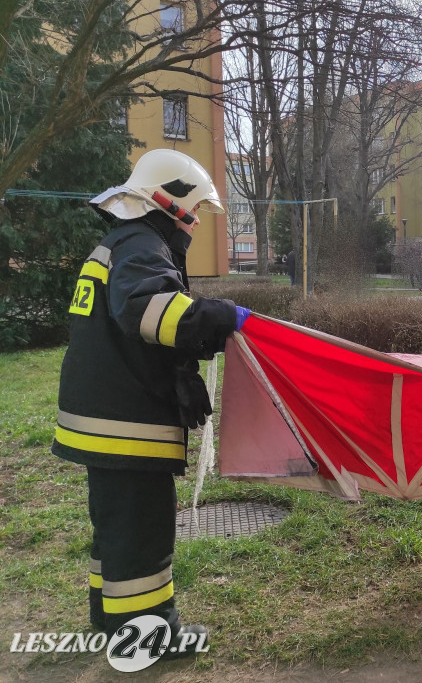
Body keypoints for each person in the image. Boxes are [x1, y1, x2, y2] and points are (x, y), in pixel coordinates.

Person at [53, 149, 251, 658]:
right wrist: (220, 318)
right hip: (125, 422)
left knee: (117, 529)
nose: (195, 223)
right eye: (195, 211)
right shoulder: (142, 244)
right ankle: (147, 637)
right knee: (142, 531)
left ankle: (110, 617)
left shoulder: (122, 241)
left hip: (103, 417)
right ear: (171, 203)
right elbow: (151, 312)